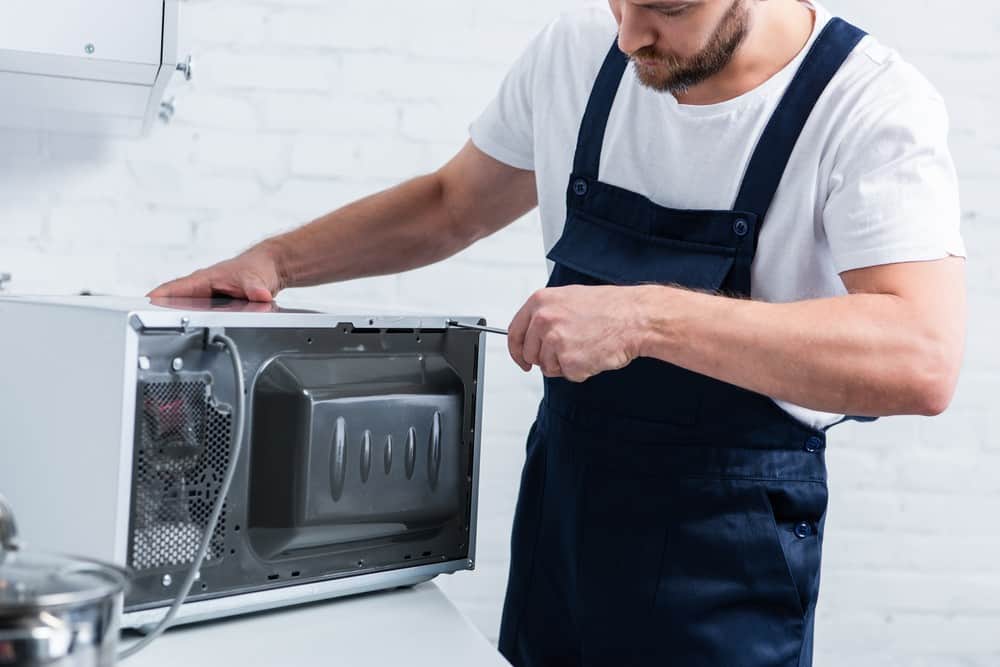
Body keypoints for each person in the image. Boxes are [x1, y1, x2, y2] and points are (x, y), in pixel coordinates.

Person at [150, 0, 967, 664]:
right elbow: (451, 203)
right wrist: (274, 261)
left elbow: (921, 357)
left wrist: (648, 317)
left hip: (731, 548)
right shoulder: (579, 52)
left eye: (665, 10)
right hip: (564, 520)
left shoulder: (869, 105)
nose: (627, 34)